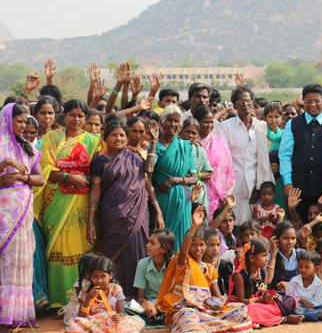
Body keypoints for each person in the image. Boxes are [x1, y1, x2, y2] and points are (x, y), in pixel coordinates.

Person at [33, 99, 104, 307]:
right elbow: (45, 169)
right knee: (57, 248)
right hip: (55, 202)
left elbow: (97, 176)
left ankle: (83, 299)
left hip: (82, 204)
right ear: (64, 116)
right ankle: (58, 299)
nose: (77, 119)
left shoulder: (93, 142)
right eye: (72, 115)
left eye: (81, 116)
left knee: (82, 247)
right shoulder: (52, 139)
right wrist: (68, 177)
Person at [86, 120, 163, 296]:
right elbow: (95, 191)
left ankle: (138, 296)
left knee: (139, 251)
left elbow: (148, 181)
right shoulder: (99, 162)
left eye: (122, 135)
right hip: (112, 216)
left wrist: (158, 211)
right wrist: (90, 221)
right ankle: (114, 296)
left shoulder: (135, 157)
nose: (118, 138)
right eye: (114, 135)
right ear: (106, 138)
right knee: (112, 254)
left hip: (138, 213)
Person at [156, 206, 252, 333]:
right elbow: (184, 251)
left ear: (206, 246)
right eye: (193, 245)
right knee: (188, 317)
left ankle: (211, 324)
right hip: (185, 310)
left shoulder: (210, 270)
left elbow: (218, 297)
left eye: (201, 245)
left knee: (239, 309)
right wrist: (194, 226)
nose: (198, 249)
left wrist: (217, 306)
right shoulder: (183, 262)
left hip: (206, 310)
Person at [0, 103, 45, 329]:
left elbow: (40, 179)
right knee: (4, 261)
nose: (23, 125)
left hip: (22, 212)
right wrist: (6, 163)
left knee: (20, 261)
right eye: (19, 121)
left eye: (25, 121)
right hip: (3, 214)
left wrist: (20, 178)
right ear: (8, 120)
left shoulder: (28, 147)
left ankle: (17, 314)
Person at [280, 84, 322, 223]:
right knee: (300, 227)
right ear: (303, 102)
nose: (312, 105)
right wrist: (287, 183)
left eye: (316, 101)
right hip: (299, 189)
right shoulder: (292, 124)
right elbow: (285, 155)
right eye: (308, 101)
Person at [219, 85, 273, 224]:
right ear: (235, 105)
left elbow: (263, 159)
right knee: (235, 224)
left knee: (256, 226)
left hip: (257, 184)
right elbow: (224, 158)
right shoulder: (226, 126)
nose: (245, 105)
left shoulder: (261, 126)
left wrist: (259, 186)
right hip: (234, 184)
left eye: (248, 101)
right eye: (241, 102)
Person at [146, 105, 198, 249]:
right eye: (169, 120)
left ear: (180, 125)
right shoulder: (155, 146)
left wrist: (175, 179)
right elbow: (148, 169)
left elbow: (194, 179)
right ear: (162, 122)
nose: (172, 125)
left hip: (183, 203)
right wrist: (154, 141)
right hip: (162, 201)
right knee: (162, 242)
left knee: (181, 242)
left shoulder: (186, 146)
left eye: (176, 121)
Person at [227, 238, 303, 326]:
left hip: (261, 306)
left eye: (267, 255)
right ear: (252, 258)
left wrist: (271, 297)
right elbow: (241, 301)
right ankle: (283, 318)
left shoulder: (263, 272)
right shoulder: (239, 275)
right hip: (243, 307)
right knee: (251, 309)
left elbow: (265, 294)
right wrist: (260, 300)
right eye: (264, 256)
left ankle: (272, 316)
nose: (267, 259)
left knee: (291, 299)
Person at [63, 255, 145, 333]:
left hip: (110, 321)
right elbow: (82, 316)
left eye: (103, 276)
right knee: (74, 323)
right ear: (90, 277)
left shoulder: (116, 289)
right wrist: (89, 297)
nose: (99, 280)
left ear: (110, 276)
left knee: (128, 323)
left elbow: (121, 312)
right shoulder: (85, 291)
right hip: (92, 322)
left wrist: (118, 317)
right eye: (95, 276)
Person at [193, 106, 235, 218]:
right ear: (197, 122)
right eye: (205, 122)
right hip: (195, 192)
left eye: (211, 122)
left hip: (217, 196)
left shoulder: (220, 142)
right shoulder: (190, 142)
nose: (209, 125)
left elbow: (228, 169)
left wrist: (226, 194)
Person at [134, 229, 176, 319]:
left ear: (164, 249)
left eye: (152, 243)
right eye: (148, 242)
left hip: (170, 305)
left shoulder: (175, 265)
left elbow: (178, 294)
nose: (147, 245)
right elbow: (140, 298)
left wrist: (163, 304)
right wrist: (146, 303)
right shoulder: (142, 264)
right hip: (149, 307)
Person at [285, 250, 322, 322]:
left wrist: (310, 305)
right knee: (295, 309)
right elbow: (288, 297)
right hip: (298, 306)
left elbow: (319, 301)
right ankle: (319, 316)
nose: (303, 270)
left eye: (307, 267)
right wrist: (302, 301)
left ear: (316, 269)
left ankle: (309, 315)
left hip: (313, 307)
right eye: (300, 266)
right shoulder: (294, 280)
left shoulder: (318, 283)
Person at [180, 118, 214, 214]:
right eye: (187, 132)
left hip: (199, 193)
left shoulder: (199, 149)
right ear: (181, 131)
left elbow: (208, 173)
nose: (190, 135)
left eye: (194, 133)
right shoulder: (176, 147)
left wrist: (195, 176)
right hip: (180, 191)